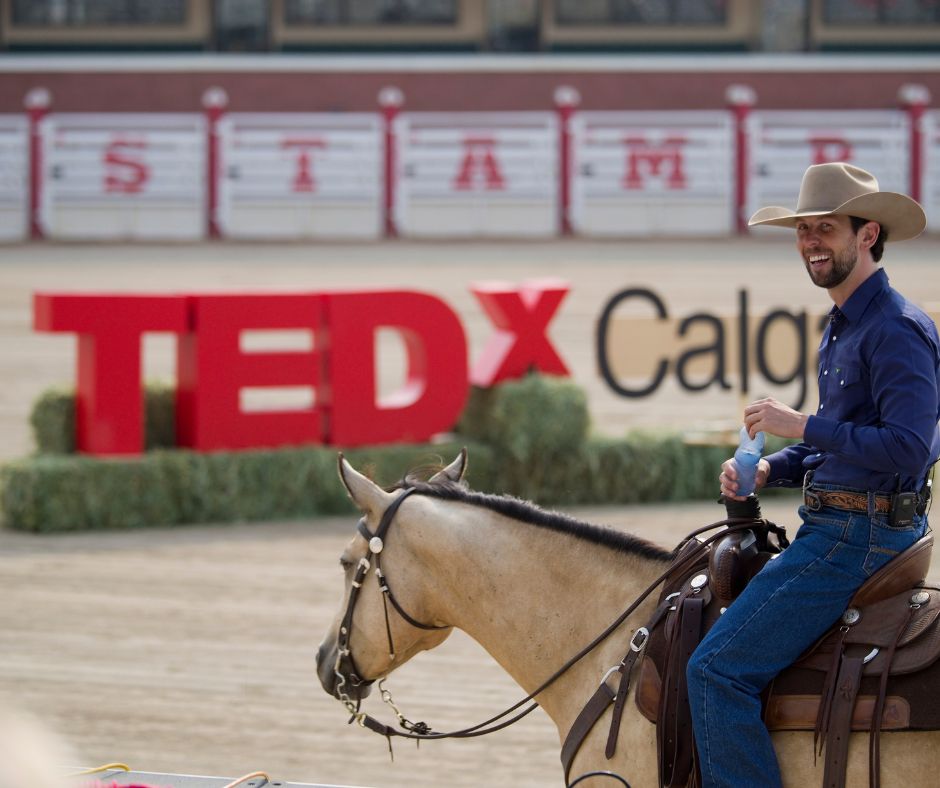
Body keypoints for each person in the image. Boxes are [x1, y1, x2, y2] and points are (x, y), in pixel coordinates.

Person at [686, 161, 940, 787]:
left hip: (858, 539)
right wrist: (770, 466)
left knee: (714, 671)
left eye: (826, 229)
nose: (811, 243)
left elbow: (907, 449)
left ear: (868, 234)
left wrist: (798, 426)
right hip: (849, 525)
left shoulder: (897, 331)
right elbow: (847, 441)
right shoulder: (845, 327)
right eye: (804, 231)